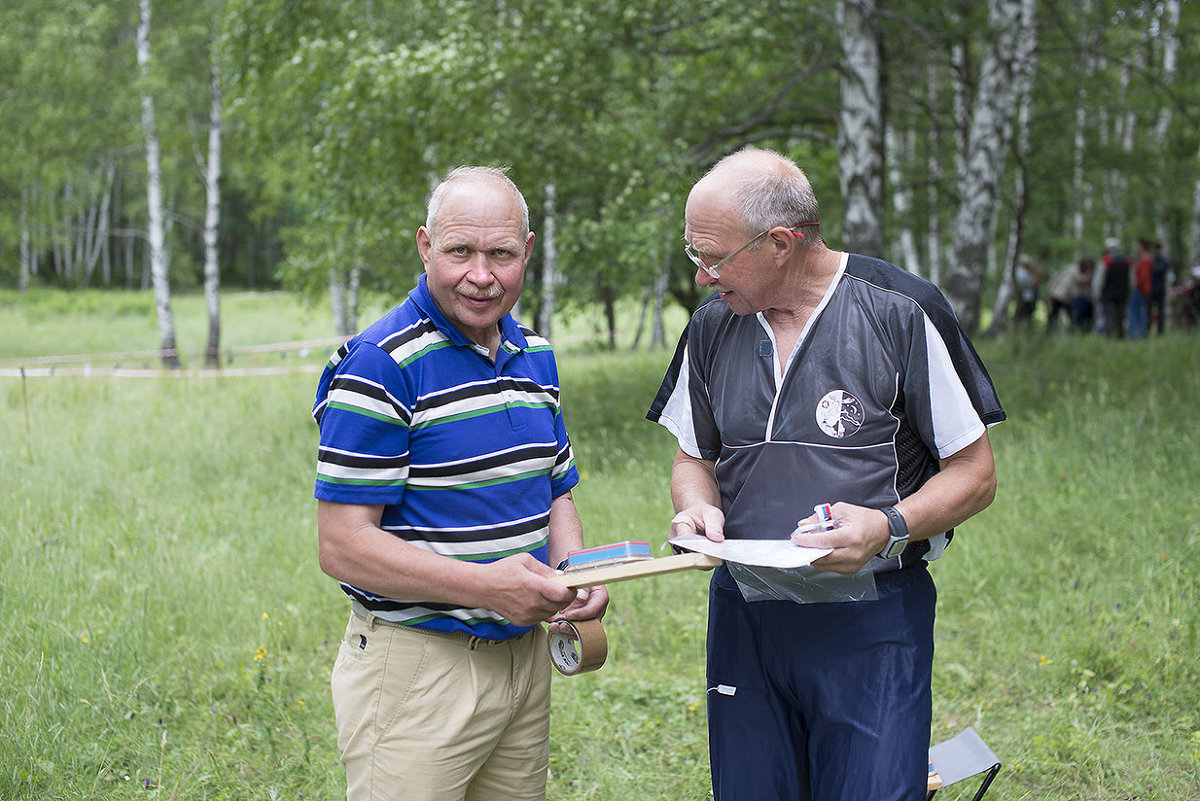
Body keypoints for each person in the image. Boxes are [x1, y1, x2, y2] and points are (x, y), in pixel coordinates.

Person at [646, 148, 1004, 801]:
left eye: (713, 257)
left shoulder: (901, 311)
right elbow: (695, 458)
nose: (701, 276)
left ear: (781, 243)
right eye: (693, 253)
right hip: (744, 613)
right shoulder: (710, 327)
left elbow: (975, 474)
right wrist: (695, 507)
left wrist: (888, 524)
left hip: (872, 617)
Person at [312, 165, 608, 801]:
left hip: (524, 663)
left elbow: (556, 489)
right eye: (459, 252)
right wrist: (486, 586)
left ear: (527, 252)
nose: (482, 275)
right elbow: (341, 545)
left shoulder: (536, 354)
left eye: (501, 253)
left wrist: (575, 574)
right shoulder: (380, 365)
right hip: (417, 667)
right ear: (425, 246)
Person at [1100, 237, 1130, 338]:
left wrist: (1096, 293)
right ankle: (1120, 336)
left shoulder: (1105, 262)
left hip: (1108, 293)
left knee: (1108, 315)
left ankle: (1108, 336)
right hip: (1123, 293)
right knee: (1120, 316)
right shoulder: (1126, 262)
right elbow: (1131, 279)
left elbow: (1099, 280)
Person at [1129, 238, 1152, 339]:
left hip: (1140, 289)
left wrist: (1136, 284)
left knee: (1135, 311)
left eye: (1137, 245)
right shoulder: (1143, 259)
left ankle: (1136, 334)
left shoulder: (1145, 260)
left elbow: (1143, 277)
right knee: (1139, 311)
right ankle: (1140, 333)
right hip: (1142, 289)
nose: (1136, 247)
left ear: (1142, 246)